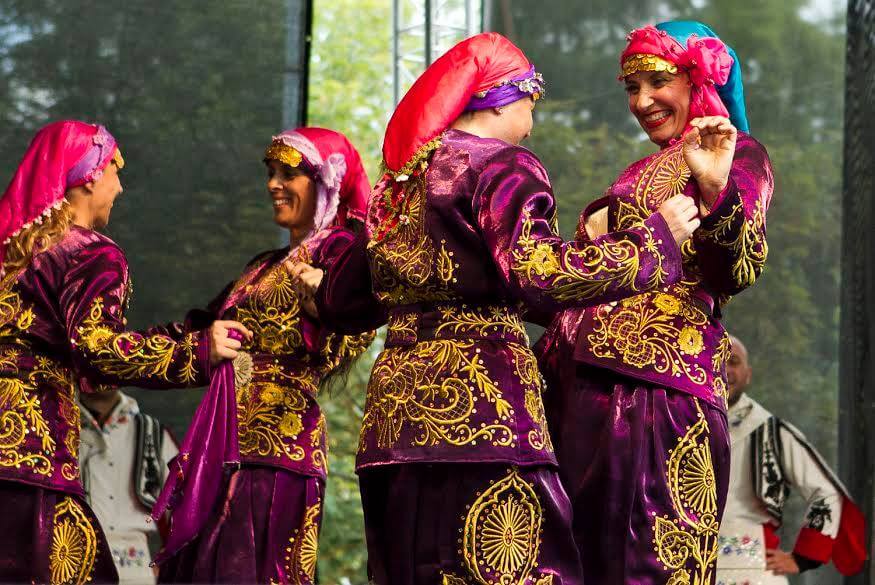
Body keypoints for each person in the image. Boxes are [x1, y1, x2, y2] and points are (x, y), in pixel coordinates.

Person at [314, 32, 708, 584]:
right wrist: (654, 242)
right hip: (485, 412)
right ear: (500, 97)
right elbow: (538, 278)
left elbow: (342, 302)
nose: (531, 116)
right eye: (530, 100)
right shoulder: (504, 166)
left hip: (392, 428)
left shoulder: (398, 183)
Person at [536, 21, 774, 584]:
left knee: (651, 564)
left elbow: (738, 268)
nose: (641, 101)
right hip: (579, 388)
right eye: (629, 87)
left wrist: (715, 191)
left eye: (656, 82)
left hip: (656, 391)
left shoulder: (740, 155)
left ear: (697, 78)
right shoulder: (639, 170)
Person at [0, 120, 244, 584]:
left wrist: (186, 332)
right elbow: (97, 349)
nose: (120, 185)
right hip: (30, 452)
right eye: (115, 169)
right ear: (89, 175)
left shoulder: (13, 252)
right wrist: (198, 351)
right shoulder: (91, 253)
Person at [155, 127, 375, 584]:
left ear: (326, 182)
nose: (273, 184)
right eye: (270, 173)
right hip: (222, 444)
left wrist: (324, 299)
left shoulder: (343, 254)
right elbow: (198, 330)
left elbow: (353, 329)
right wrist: (106, 350)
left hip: (277, 448)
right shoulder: (261, 265)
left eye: (287, 174)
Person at [716, 334, 865, 584]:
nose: (725, 369)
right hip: (685, 566)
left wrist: (801, 557)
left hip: (755, 571)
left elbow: (827, 492)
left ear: (748, 374)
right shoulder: (673, 427)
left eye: (733, 361)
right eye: (717, 360)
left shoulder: (771, 431)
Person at [79, 389, 178, 584]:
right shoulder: (54, 428)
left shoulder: (153, 433)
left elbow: (184, 520)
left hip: (136, 570)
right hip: (70, 564)